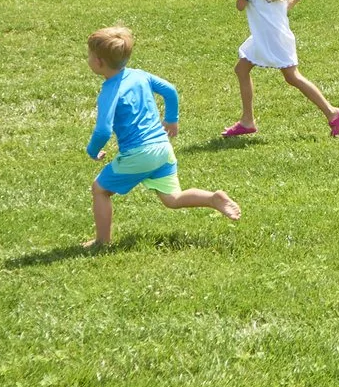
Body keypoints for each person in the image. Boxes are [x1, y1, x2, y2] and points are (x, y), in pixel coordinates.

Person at [84, 24, 239, 248]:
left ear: (99, 62)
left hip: (139, 153)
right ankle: (212, 198)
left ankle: (102, 241)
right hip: (162, 148)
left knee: (100, 189)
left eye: (89, 55)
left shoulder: (109, 90)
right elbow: (170, 90)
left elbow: (103, 130)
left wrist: (92, 150)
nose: (88, 59)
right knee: (173, 199)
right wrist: (171, 118)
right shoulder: (140, 76)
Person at [220, 0, 339, 139]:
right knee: (241, 69)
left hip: (269, 37)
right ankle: (247, 120)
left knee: (292, 76)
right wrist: (281, 11)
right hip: (273, 33)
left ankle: (332, 112)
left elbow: (240, 5)